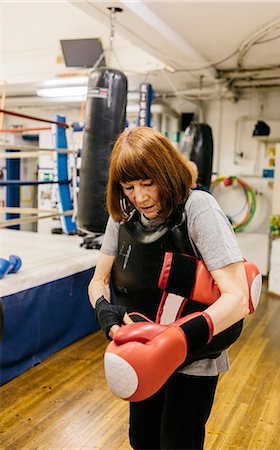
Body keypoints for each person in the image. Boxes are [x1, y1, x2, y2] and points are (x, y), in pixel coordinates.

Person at [88, 126, 250, 450]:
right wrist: (104, 310)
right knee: (142, 440)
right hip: (143, 351)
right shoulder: (122, 216)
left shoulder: (198, 208)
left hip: (194, 356)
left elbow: (238, 298)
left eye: (149, 183)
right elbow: (98, 281)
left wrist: (176, 339)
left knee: (179, 442)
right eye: (129, 186)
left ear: (167, 172)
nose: (141, 196)